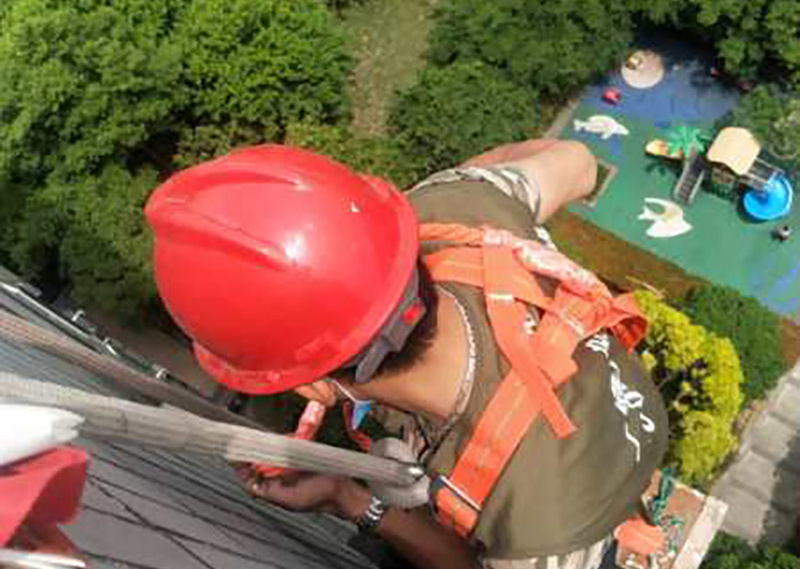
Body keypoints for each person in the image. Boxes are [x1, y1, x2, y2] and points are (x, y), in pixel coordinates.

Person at [145, 140, 668, 569]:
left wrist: (355, 504)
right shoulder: (456, 210)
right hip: (624, 434)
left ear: (311, 387)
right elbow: (577, 164)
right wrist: (459, 181)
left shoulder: (534, 530)